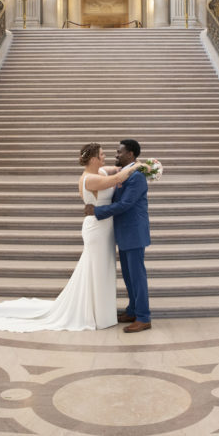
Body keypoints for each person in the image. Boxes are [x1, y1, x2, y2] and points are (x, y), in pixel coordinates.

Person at [0, 143, 141, 332]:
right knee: (97, 270)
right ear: (93, 159)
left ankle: (100, 311)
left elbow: (116, 169)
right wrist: (139, 166)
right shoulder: (90, 178)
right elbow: (117, 177)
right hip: (97, 229)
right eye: (102, 154)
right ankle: (96, 314)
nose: (105, 156)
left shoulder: (99, 171)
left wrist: (138, 164)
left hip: (105, 229)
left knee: (102, 270)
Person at [84, 139, 151, 333]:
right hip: (123, 231)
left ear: (130, 154)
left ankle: (144, 317)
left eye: (119, 152)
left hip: (134, 232)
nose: (116, 155)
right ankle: (132, 310)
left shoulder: (137, 176)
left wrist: (96, 212)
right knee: (129, 276)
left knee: (137, 276)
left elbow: (125, 204)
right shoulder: (127, 173)